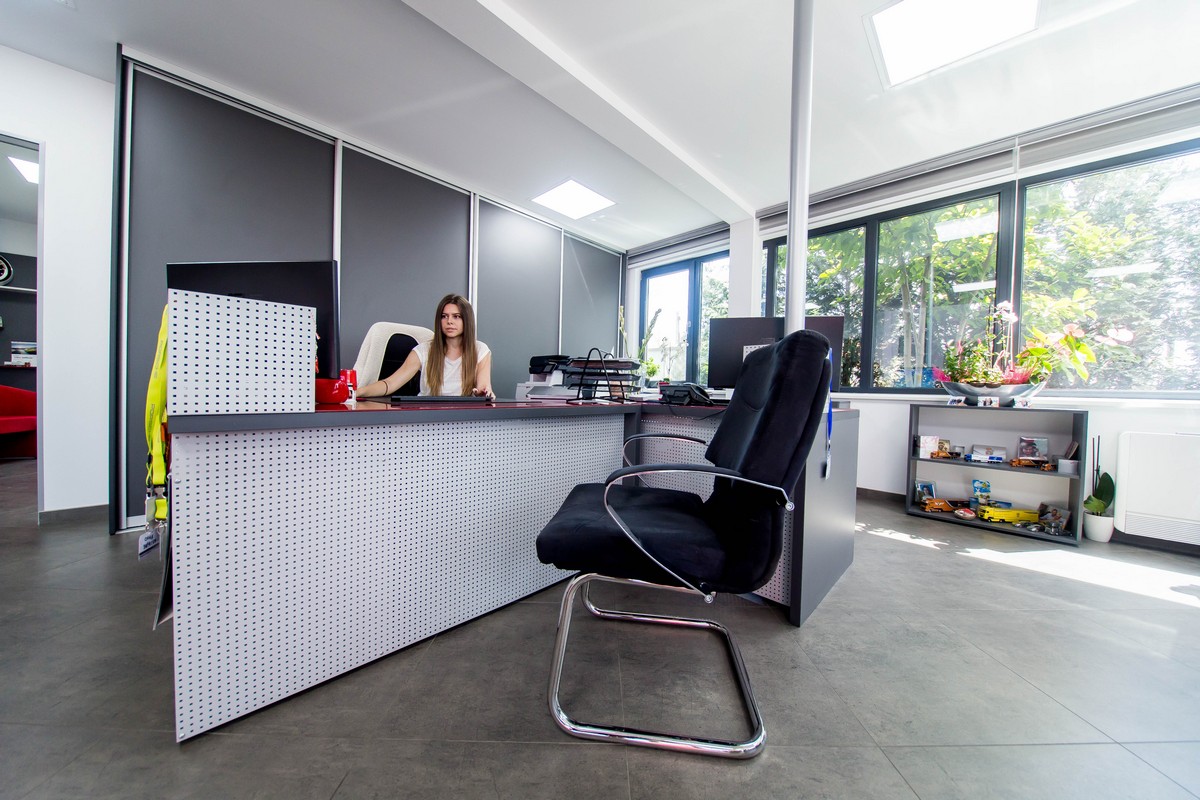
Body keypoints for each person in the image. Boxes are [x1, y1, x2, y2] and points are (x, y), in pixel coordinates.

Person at [358, 294, 494, 399]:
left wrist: (483, 393)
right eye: (444, 316)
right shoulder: (423, 351)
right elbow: (390, 384)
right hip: (427, 417)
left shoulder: (480, 350)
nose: (449, 321)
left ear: (467, 320)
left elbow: (483, 387)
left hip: (462, 418)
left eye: (456, 316)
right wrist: (359, 392)